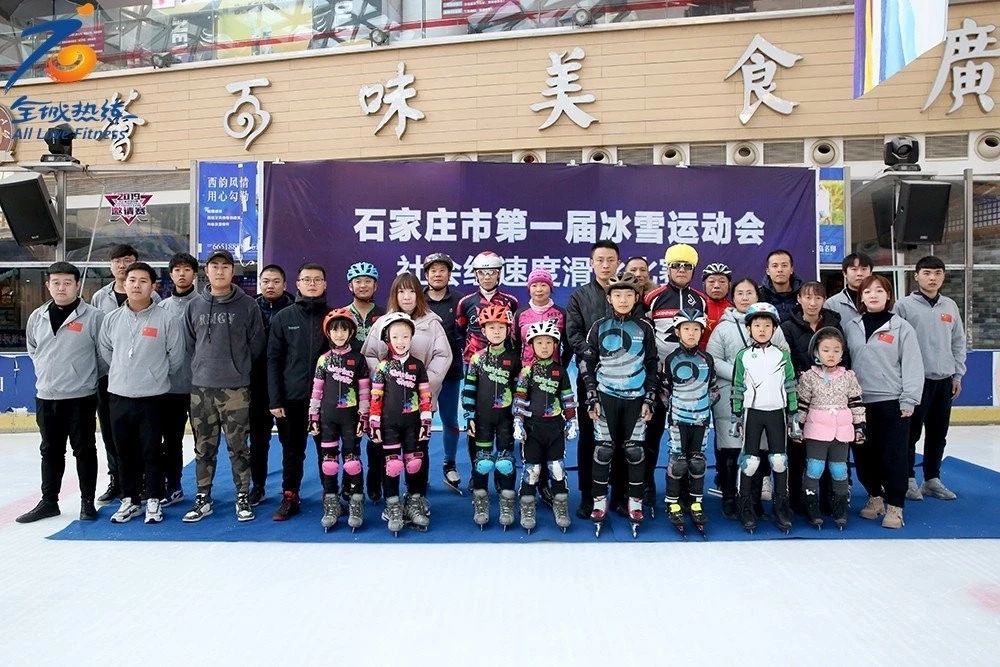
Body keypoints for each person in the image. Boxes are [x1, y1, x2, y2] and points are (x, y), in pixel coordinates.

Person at [182, 249, 266, 523]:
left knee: (238, 446)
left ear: (233, 271)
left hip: (235, 389)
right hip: (201, 389)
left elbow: (256, 345)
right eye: (214, 266)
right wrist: (202, 368)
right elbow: (190, 344)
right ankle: (203, 497)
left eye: (225, 266)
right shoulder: (194, 306)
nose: (220, 271)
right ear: (206, 271)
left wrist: (238, 368)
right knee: (203, 448)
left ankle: (242, 496)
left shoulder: (248, 306)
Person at [17, 262, 104, 524]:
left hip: (80, 396)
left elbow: (104, 355)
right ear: (48, 285)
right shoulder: (37, 316)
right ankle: (49, 502)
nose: (61, 288)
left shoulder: (94, 317)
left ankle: (87, 502)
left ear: (78, 285)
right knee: (50, 451)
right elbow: (34, 349)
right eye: (56, 282)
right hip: (46, 395)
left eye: (67, 283)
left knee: (84, 450)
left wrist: (82, 376)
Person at [98, 262, 184, 524]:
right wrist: (125, 372)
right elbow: (106, 351)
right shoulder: (111, 319)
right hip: (119, 395)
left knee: (152, 450)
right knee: (124, 451)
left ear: (153, 286)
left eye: (143, 281)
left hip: (153, 397)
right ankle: (130, 499)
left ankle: (154, 498)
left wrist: (152, 375)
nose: (136, 285)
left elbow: (176, 357)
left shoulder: (167, 319)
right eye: (132, 280)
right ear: (124, 284)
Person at [362, 272, 452, 511]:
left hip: (419, 403)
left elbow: (443, 357)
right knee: (381, 447)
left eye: (412, 291)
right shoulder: (382, 322)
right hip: (387, 403)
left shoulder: (432, 323)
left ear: (419, 295)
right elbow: (369, 354)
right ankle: (381, 488)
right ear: (394, 295)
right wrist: (386, 380)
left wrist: (421, 386)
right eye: (401, 291)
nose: (407, 296)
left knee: (419, 449)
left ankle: (417, 495)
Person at [844, 274, 924, 529]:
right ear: (861, 297)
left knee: (894, 456)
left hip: (892, 402)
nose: (873, 295)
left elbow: (913, 365)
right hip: (859, 403)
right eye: (868, 291)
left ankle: (895, 505)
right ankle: (875, 497)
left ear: (888, 295)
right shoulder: (852, 326)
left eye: (879, 290)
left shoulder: (902, 327)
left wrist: (909, 399)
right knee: (864, 454)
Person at [581, 272, 658, 535]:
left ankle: (634, 502)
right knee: (603, 451)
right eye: (617, 295)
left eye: (628, 295)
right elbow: (587, 363)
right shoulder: (599, 326)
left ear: (636, 298)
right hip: (606, 396)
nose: (623, 300)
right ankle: (598, 502)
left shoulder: (644, 328)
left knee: (635, 452)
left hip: (636, 398)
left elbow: (652, 365)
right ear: (609, 298)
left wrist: (650, 398)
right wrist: (591, 395)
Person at [706, 278, 789, 520]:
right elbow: (712, 359)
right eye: (740, 293)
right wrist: (740, 371)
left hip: (764, 397)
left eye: (749, 293)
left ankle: (753, 498)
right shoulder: (723, 328)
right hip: (730, 395)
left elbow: (784, 354)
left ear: (757, 296)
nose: (744, 297)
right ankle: (730, 497)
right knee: (730, 451)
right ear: (733, 298)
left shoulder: (773, 326)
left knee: (758, 451)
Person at [90, 243, 159, 503]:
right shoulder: (100, 298)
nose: (122, 265)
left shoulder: (154, 299)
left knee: (145, 436)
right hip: (109, 378)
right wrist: (116, 366)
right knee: (112, 433)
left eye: (127, 260)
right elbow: (100, 341)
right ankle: (117, 480)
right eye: (117, 261)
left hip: (143, 379)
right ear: (111, 267)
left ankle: (145, 482)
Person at [895, 256, 967, 501]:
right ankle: (907, 479)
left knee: (938, 433)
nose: (932, 278)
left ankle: (932, 479)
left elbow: (958, 342)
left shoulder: (950, 306)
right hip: (915, 382)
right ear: (916, 276)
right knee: (910, 433)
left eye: (937, 273)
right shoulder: (903, 306)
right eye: (926, 273)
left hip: (944, 380)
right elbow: (896, 345)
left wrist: (957, 374)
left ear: (943, 276)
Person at [643, 243, 707, 513]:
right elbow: (645, 336)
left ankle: (683, 489)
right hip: (659, 380)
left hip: (689, 384)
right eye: (676, 266)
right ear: (667, 268)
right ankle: (647, 486)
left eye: (687, 266)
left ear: (693, 270)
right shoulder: (653, 297)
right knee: (652, 435)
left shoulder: (700, 300)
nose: (681, 270)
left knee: (688, 441)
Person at [267, 263, 331, 521]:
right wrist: (275, 400)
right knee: (292, 452)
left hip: (326, 401)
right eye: (307, 279)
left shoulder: (335, 317)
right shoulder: (283, 317)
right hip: (291, 399)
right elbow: (273, 360)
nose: (312, 284)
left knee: (327, 450)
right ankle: (290, 496)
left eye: (317, 279)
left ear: (325, 284)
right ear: (297, 284)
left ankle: (330, 495)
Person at [780, 281, 849, 515]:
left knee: (831, 453)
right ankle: (798, 500)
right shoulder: (788, 327)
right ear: (799, 299)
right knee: (799, 451)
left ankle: (830, 500)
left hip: (831, 399)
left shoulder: (834, 325)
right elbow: (785, 360)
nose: (812, 302)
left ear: (824, 300)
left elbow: (845, 357)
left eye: (818, 298)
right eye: (807, 297)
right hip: (801, 395)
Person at [731, 301, 798, 534]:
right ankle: (745, 506)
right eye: (757, 325)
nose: (762, 329)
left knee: (779, 461)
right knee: (750, 462)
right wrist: (736, 414)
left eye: (767, 325)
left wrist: (793, 412)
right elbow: (737, 386)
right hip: (752, 412)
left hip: (777, 412)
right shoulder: (743, 356)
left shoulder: (782, 355)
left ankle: (781, 506)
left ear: (774, 328)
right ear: (749, 328)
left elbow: (790, 384)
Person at [792, 327, 866, 529]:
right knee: (814, 468)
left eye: (836, 350)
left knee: (839, 469)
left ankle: (840, 508)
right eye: (826, 350)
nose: (831, 354)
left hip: (841, 431)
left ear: (842, 353)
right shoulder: (809, 376)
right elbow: (802, 404)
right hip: (817, 430)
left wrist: (860, 427)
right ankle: (812, 507)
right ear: (816, 352)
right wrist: (797, 426)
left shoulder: (848, 376)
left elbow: (856, 402)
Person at [368, 312, 433, 535]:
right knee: (393, 465)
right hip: (389, 426)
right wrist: (374, 423)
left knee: (414, 463)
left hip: (413, 425)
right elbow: (375, 398)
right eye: (395, 337)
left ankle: (414, 502)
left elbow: (425, 396)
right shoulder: (382, 367)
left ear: (411, 338)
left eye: (405, 336)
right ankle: (393, 505)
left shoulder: (418, 366)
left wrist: (426, 421)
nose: (401, 341)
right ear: (387, 339)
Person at [565, 240, 617, 519]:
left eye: (611, 260)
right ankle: (588, 495)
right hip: (591, 377)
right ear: (591, 263)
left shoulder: (627, 293)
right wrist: (595, 354)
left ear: (618, 263)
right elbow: (572, 334)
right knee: (589, 436)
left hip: (625, 379)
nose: (605, 265)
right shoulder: (580, 296)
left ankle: (620, 495)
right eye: (600, 260)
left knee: (620, 437)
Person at [309, 308, 370, 531]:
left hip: (351, 419)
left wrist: (364, 416)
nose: (339, 334)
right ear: (328, 333)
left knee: (352, 461)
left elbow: (364, 392)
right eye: (335, 330)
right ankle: (331, 502)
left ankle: (356, 501)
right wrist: (313, 416)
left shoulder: (358, 359)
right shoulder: (323, 360)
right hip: (328, 419)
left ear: (351, 332)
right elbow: (317, 390)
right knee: (329, 462)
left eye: (344, 330)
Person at [513, 320, 577, 533]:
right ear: (531, 345)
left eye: (549, 342)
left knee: (557, 469)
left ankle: (561, 505)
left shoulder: (560, 371)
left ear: (556, 345)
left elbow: (567, 398)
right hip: (533, 429)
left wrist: (572, 421)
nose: (544, 347)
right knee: (532, 470)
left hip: (555, 428)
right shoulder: (527, 371)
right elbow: (520, 398)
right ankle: (527, 506)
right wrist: (518, 422)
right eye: (539, 342)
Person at [461, 305, 520, 529]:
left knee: (506, 461)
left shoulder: (514, 359)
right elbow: (469, 389)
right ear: (483, 331)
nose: (496, 331)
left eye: (501, 327)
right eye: (491, 327)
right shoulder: (477, 359)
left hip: (506, 420)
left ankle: (507, 501)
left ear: (508, 330)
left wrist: (519, 417)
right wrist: (469, 416)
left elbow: (520, 392)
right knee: (483, 461)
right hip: (482, 420)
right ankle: (481, 501)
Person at [663, 310, 718, 536]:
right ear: (678, 332)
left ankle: (695, 502)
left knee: (697, 462)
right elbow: (665, 391)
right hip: (678, 418)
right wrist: (677, 407)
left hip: (701, 418)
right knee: (678, 461)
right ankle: (673, 502)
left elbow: (714, 389)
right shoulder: (671, 359)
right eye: (686, 329)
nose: (691, 333)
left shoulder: (707, 359)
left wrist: (702, 405)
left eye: (696, 329)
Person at [249, 264, 295, 506]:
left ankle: (290, 489)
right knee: (258, 441)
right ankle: (258, 486)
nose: (270, 286)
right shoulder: (250, 309)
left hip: (287, 387)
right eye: (266, 281)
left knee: (290, 441)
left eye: (276, 281)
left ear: (285, 285)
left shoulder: (295, 310)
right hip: (256, 386)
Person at [157, 252, 199, 508]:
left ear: (195, 274)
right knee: (170, 441)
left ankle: (205, 490)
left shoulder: (204, 303)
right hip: (170, 388)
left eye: (187, 269)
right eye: (177, 270)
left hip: (200, 386)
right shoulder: (162, 308)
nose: (182, 274)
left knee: (204, 442)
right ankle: (173, 485)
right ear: (171, 274)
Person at [422, 253, 466, 494]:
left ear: (449, 274)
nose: (437, 274)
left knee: (450, 420)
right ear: (426, 274)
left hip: (450, 372)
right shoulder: (417, 300)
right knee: (421, 421)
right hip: (421, 376)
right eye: (433, 270)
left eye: (442, 270)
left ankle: (449, 464)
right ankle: (420, 467)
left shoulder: (460, 301)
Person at [344, 261, 385, 352]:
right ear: (350, 286)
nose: (363, 285)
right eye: (358, 282)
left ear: (375, 286)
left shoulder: (384, 315)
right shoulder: (341, 315)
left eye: (368, 281)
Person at [824, 252, 873, 325]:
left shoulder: (879, 300)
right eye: (854, 269)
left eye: (864, 269)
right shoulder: (832, 304)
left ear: (871, 273)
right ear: (844, 273)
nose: (859, 273)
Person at [758, 249, 803, 323]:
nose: (780, 270)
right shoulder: (759, 296)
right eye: (775, 266)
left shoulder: (803, 293)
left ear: (791, 269)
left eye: (784, 265)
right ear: (768, 271)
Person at [701, 262, 733, 345]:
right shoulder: (697, 306)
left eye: (722, 281)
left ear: (729, 285)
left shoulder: (735, 309)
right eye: (711, 281)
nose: (716, 286)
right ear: (704, 285)